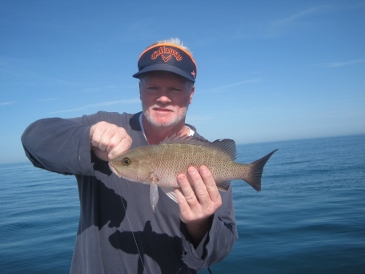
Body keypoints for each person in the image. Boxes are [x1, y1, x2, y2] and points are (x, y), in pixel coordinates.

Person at [21, 38, 238, 274]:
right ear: (140, 91)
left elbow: (222, 247)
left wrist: (199, 224)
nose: (163, 98)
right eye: (153, 87)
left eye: (175, 89)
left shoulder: (208, 157)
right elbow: (34, 139)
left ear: (191, 94)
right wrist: (89, 138)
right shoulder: (104, 126)